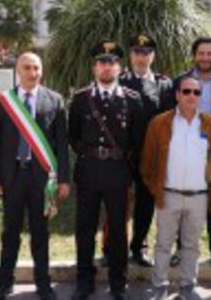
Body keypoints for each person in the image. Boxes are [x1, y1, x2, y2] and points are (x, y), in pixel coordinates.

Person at [0, 52, 71, 300]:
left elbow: (61, 145)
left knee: (40, 233)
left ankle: (43, 285)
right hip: (12, 178)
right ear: (17, 70)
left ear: (41, 71)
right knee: (10, 232)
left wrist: (64, 179)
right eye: (27, 68)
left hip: (42, 181)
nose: (32, 73)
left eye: (36, 68)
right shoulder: (3, 102)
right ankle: (4, 284)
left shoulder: (54, 100)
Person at [68, 41, 146, 300]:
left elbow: (138, 140)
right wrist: (91, 153)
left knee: (118, 231)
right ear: (94, 67)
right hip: (88, 172)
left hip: (118, 173)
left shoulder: (132, 100)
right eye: (102, 62)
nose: (106, 67)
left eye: (111, 62)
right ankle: (84, 281)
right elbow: (73, 136)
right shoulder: (80, 99)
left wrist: (126, 168)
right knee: (85, 229)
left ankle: (118, 283)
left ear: (119, 68)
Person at [141, 76, 211, 300]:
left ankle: (188, 285)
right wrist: (156, 187)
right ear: (177, 94)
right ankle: (159, 285)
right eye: (186, 91)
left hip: (199, 196)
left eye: (196, 93)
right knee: (163, 244)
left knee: (191, 245)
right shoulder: (159, 123)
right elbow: (147, 162)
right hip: (168, 195)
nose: (191, 96)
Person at [104, 33, 173, 268]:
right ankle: (110, 248)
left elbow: (168, 120)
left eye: (146, 53)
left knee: (146, 202)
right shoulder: (119, 81)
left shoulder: (164, 84)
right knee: (116, 202)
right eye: (136, 52)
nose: (141, 57)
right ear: (130, 56)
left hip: (151, 154)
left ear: (152, 56)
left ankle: (139, 247)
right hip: (122, 154)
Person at [170, 37, 211, 271]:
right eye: (201, 53)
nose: (205, 58)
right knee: (182, 198)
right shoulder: (180, 82)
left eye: (210, 53)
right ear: (194, 55)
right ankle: (181, 248)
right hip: (185, 149)